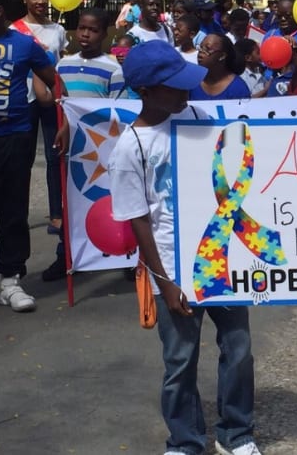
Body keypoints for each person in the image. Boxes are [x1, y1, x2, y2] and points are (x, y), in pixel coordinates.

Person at [108, 41, 262, 455]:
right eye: (174, 87)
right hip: (172, 269)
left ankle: (237, 434)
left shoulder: (198, 116)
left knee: (239, 350)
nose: (185, 93)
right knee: (180, 361)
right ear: (145, 91)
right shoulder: (130, 148)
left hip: (219, 261)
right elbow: (139, 219)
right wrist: (165, 281)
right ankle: (185, 440)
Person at [43, 8, 126, 281]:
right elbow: (59, 104)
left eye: (93, 30)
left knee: (109, 198)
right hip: (71, 147)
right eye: (81, 28)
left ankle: (124, 251)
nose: (85, 34)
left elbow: (117, 111)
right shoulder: (62, 66)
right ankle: (64, 255)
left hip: (102, 148)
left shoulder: (113, 69)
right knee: (71, 203)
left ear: (104, 34)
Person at [0, 0, 56, 311]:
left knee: (13, 212)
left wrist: (65, 120)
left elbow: (53, 79)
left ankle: (10, 282)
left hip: (15, 137)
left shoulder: (25, 45)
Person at [12, 0, 68, 236]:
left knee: (55, 158)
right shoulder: (14, 30)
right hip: (24, 101)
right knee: (22, 160)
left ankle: (57, 213)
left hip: (51, 98)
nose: (41, 2)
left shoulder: (58, 30)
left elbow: (60, 65)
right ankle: (16, 214)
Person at [189, 34, 250, 101]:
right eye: (200, 47)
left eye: (207, 49)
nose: (200, 52)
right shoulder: (192, 80)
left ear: (222, 56)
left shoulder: (238, 89)